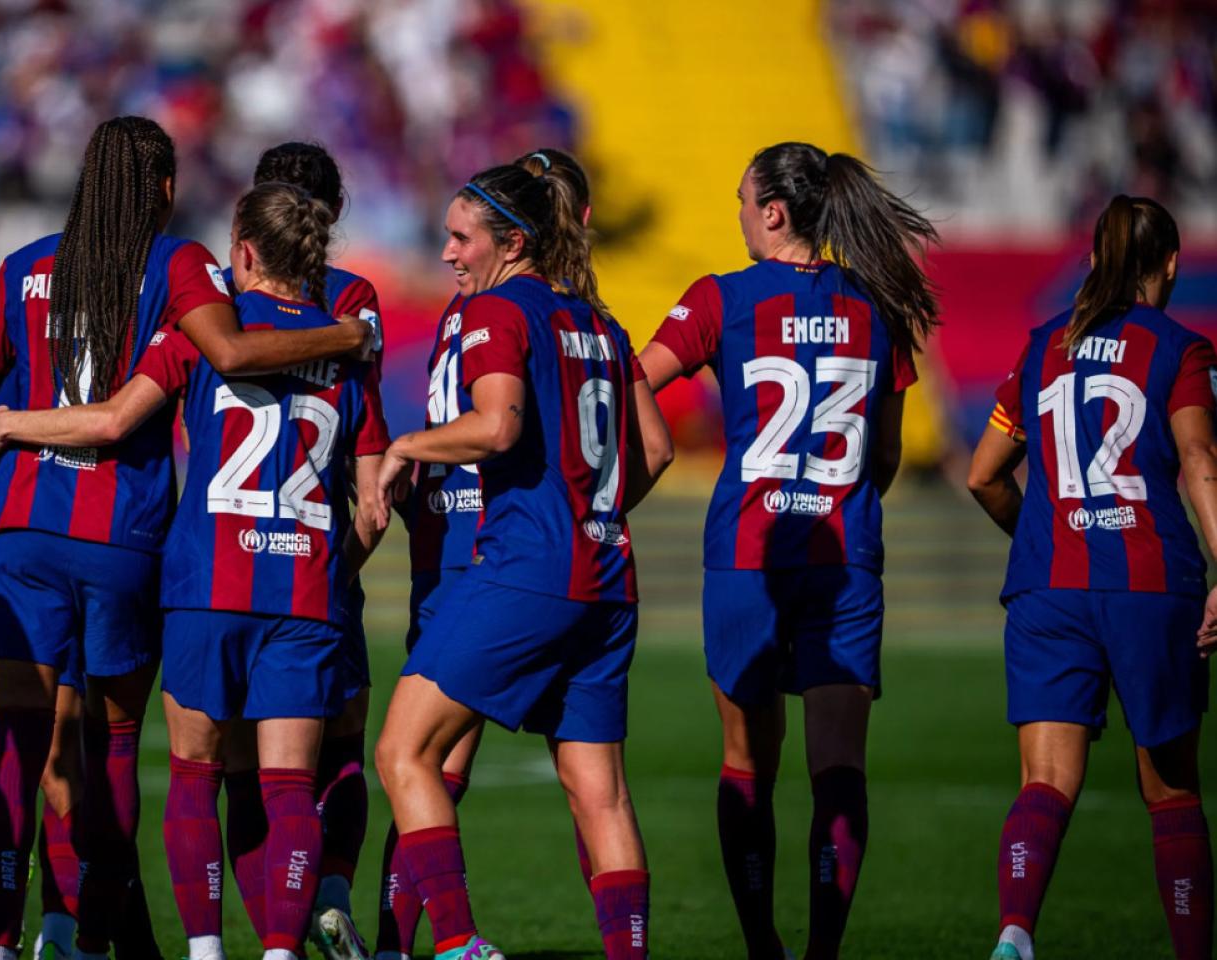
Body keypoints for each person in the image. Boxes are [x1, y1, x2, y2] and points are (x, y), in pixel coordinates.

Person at [0, 116, 373, 960]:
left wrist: (1, 450)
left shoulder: (27, 264)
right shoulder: (179, 267)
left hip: (34, 532)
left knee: (22, 751)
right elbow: (239, 359)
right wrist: (350, 338)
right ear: (169, 190)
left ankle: (5, 943)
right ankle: (96, 934)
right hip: (131, 540)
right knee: (121, 751)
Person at [637, 141, 938, 960]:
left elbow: (630, 380)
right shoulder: (877, 306)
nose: (737, 213)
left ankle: (763, 947)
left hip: (748, 554)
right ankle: (823, 955)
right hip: (845, 556)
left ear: (773, 211)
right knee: (839, 768)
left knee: (747, 763)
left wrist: (645, 459)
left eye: (742, 199)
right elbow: (883, 459)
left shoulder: (720, 299)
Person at [373, 146, 672, 960]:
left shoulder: (497, 313)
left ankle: (460, 942)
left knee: (404, 751)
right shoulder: (600, 320)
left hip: (527, 569)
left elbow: (497, 426)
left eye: (461, 237)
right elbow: (657, 446)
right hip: (609, 580)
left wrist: (408, 445)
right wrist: (592, 512)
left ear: (511, 242)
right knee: (600, 792)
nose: (447, 253)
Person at [967, 195, 1215, 960]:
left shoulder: (1043, 346)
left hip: (1050, 587)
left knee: (1045, 781)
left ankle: (1015, 933)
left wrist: (1046, 537)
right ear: (1168, 265)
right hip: (1150, 580)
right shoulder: (1181, 348)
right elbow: (1201, 460)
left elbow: (983, 476)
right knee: (1169, 790)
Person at [217, 141, 383, 960]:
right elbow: (375, 473)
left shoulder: (220, 300)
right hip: (320, 555)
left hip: (227, 557)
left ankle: (259, 935)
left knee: (243, 766)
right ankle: (332, 893)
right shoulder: (354, 306)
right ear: (336, 211)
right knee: (343, 741)